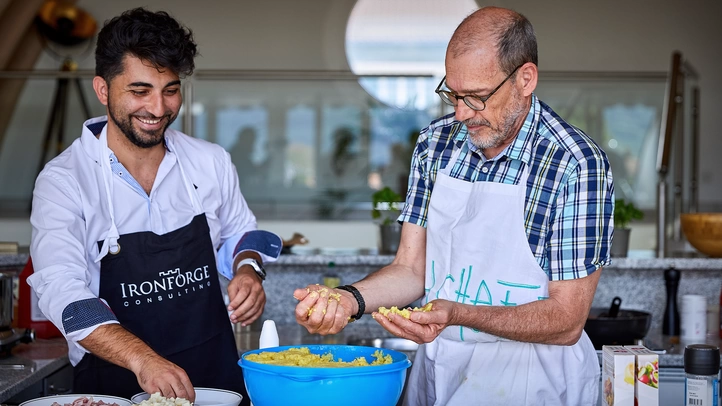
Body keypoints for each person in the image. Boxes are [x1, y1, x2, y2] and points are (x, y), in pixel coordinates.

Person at [294, 6, 613, 406]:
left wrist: (459, 314)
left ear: (525, 79)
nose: (461, 113)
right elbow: (411, 269)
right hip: (440, 375)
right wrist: (347, 299)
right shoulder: (435, 144)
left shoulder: (575, 164)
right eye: (453, 94)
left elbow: (566, 321)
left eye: (477, 97)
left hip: (536, 386)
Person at [28, 8, 281, 405]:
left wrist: (248, 269)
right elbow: (63, 293)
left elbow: (242, 233)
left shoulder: (209, 161)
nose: (159, 109)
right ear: (102, 89)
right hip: (114, 385)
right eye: (139, 91)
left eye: (170, 89)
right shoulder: (64, 181)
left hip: (214, 380)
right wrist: (143, 359)